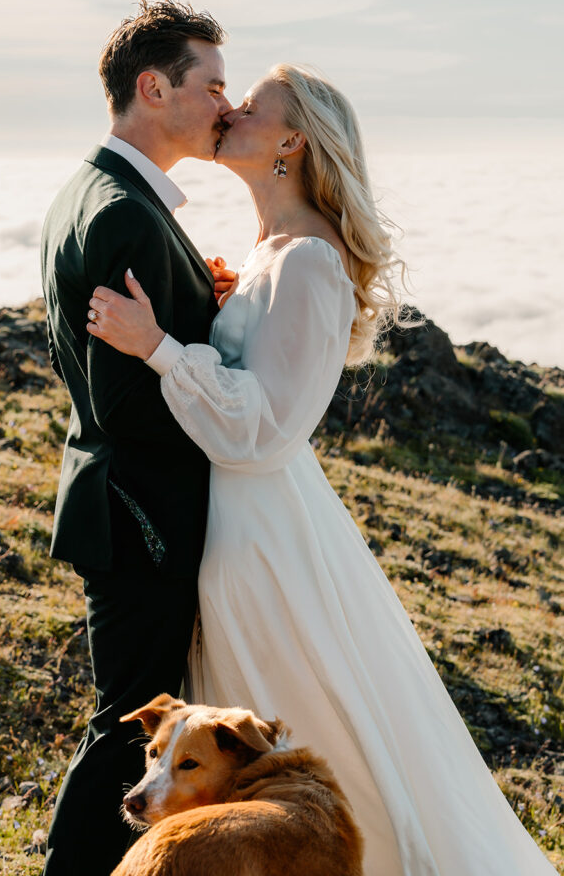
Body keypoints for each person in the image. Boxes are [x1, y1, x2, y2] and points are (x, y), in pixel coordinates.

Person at [86, 65, 558, 876]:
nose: (228, 111)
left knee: (294, 707)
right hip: (240, 516)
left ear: (291, 143)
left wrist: (156, 346)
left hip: (260, 531)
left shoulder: (306, 258)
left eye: (249, 107)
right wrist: (219, 309)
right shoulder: (276, 251)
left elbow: (265, 429)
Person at [40, 0, 233, 875]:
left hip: (117, 503)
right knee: (130, 728)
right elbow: (126, 404)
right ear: (154, 88)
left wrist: (198, 319)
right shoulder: (123, 211)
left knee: (135, 719)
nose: (225, 105)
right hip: (141, 513)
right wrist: (225, 382)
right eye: (212, 86)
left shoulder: (92, 191)